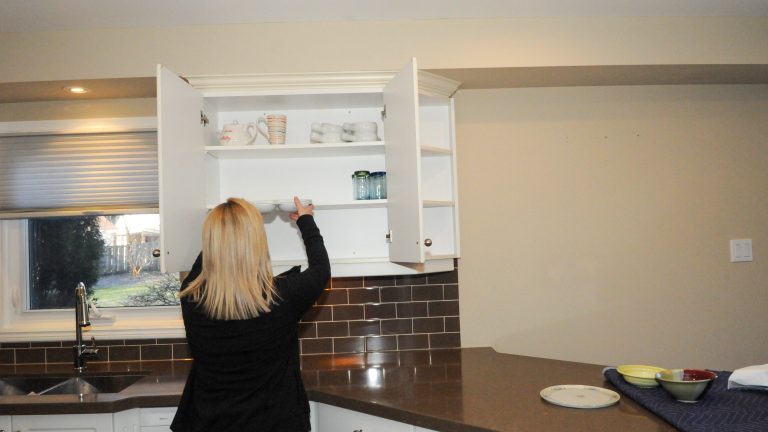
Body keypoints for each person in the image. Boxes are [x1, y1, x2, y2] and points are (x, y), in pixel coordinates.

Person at [171, 196, 330, 432]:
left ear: (211, 240)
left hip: (209, 423)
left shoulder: (190, 296)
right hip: (275, 424)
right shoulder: (283, 296)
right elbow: (320, 269)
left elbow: (203, 262)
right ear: (256, 242)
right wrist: (305, 220)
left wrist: (227, 226)